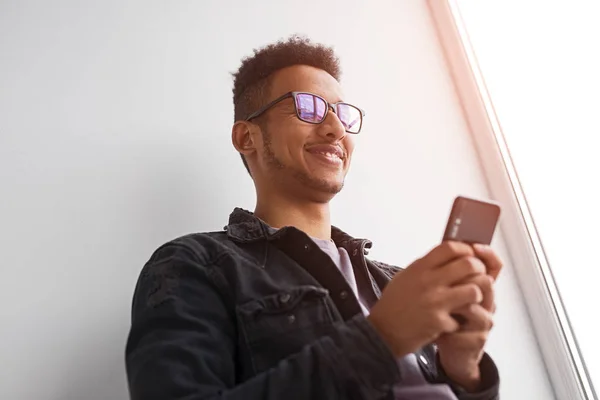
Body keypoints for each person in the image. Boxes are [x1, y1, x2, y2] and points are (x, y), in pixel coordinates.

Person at [125, 35, 502, 400]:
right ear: (246, 138)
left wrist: (465, 375)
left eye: (341, 113)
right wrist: (382, 338)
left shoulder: (397, 282)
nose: (336, 129)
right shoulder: (195, 264)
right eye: (309, 107)